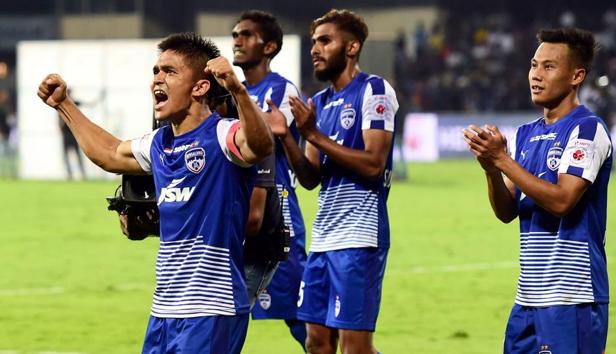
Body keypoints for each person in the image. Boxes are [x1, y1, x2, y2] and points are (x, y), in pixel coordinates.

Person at [37, 32, 274, 354]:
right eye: (155, 72)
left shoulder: (222, 134)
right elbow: (109, 153)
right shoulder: (159, 144)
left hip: (211, 307)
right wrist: (63, 105)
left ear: (200, 87)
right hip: (164, 310)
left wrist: (236, 88)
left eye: (170, 71)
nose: (157, 80)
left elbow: (260, 145)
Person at [463, 28, 612, 354]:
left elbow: (562, 200)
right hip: (528, 298)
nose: (536, 75)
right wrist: (491, 169)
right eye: (533, 65)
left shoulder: (587, 129)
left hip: (572, 298)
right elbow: (506, 212)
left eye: (548, 67)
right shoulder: (526, 134)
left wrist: (502, 159)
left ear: (576, 75)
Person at [266, 9, 398, 354]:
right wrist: (287, 137)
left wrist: (313, 133)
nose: (315, 48)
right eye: (313, 42)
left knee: (356, 347)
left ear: (351, 47)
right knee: (317, 343)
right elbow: (310, 178)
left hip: (359, 238)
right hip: (324, 239)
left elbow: (373, 164)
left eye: (325, 41)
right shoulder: (319, 103)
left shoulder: (374, 90)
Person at [231, 10, 308, 351]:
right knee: (228, 307)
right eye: (235, 35)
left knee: (300, 313)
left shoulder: (282, 90)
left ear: (270, 47)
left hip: (277, 210)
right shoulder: (231, 95)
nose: (237, 40)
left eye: (246, 35)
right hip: (239, 209)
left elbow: (271, 139)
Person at [58, 88, 86, 180]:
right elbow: (59, 117)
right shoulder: (61, 104)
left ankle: (82, 173)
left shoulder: (73, 103)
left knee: (77, 154)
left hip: (73, 134)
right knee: (67, 155)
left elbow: (88, 103)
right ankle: (70, 174)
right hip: (66, 133)